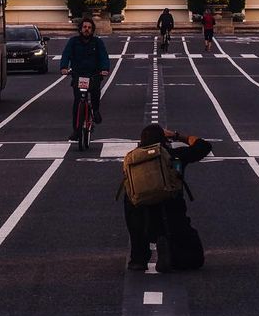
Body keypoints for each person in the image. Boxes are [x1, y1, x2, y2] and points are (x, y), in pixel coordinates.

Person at [124, 124, 212, 272]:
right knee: (194, 259)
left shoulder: (132, 160)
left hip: (143, 222)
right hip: (171, 220)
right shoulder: (174, 156)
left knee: (129, 198)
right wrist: (178, 136)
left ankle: (138, 258)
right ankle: (171, 251)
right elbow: (204, 146)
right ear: (164, 141)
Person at [60, 15, 110, 139]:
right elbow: (66, 54)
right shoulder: (73, 42)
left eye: (89, 27)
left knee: (95, 94)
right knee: (78, 102)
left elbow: (104, 56)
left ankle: (95, 110)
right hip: (78, 75)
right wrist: (64, 67)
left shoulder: (97, 42)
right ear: (80, 29)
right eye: (84, 27)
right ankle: (76, 130)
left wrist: (104, 69)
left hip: (94, 75)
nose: (86, 29)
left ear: (92, 30)